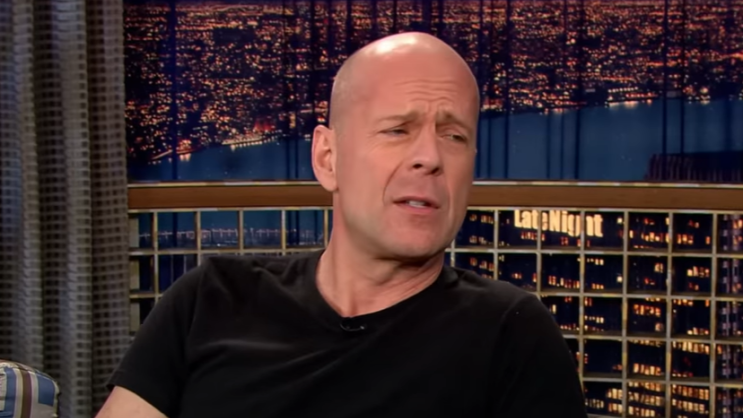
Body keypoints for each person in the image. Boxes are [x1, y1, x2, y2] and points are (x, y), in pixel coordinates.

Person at [97, 32, 587, 418]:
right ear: (327, 158)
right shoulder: (211, 298)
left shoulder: (511, 334)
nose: (430, 157)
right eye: (397, 130)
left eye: (454, 136)